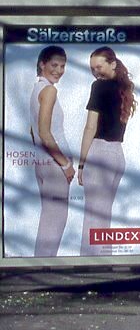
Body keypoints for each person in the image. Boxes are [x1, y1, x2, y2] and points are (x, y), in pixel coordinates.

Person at [77, 47, 136, 256]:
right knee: (105, 216)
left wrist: (82, 163)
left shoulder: (99, 88)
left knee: (93, 215)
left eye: (99, 67)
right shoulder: (125, 89)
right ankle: (104, 259)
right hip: (117, 156)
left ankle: (88, 265)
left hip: (100, 153)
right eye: (92, 69)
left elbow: (90, 128)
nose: (96, 72)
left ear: (112, 63)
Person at [29, 45, 76, 257]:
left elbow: (33, 131)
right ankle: (45, 268)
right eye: (54, 65)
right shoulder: (49, 91)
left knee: (48, 219)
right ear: (42, 64)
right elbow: (45, 133)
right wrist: (65, 164)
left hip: (42, 163)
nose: (59, 70)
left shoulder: (36, 89)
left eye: (63, 66)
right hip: (55, 165)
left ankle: (41, 266)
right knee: (55, 220)